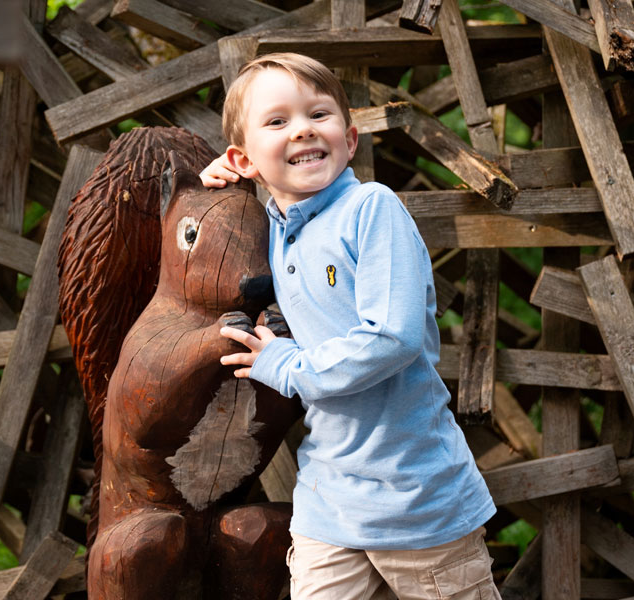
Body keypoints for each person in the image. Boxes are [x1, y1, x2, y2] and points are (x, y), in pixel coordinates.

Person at [201, 52, 500, 600]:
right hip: (329, 499)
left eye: (319, 114)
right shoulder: (270, 228)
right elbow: (209, 240)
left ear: (351, 138)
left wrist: (287, 367)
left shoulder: (370, 208)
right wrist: (215, 190)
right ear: (244, 158)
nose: (302, 130)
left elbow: (393, 337)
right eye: (277, 121)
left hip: (417, 498)